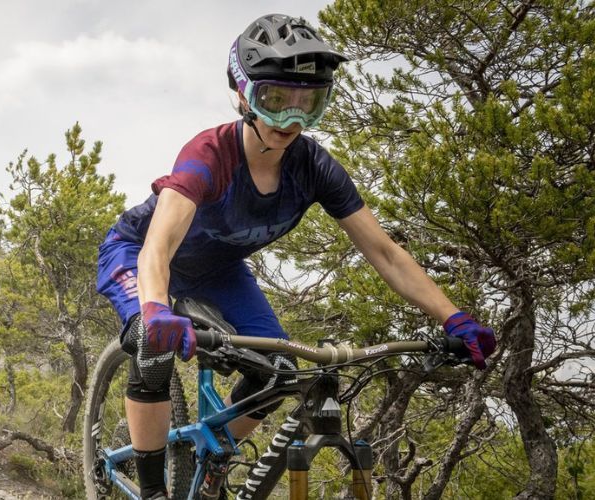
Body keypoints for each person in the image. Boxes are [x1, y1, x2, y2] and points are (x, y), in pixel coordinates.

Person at [95, 14, 496, 499]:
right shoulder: (208, 154)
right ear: (243, 95)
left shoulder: (314, 168)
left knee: (279, 372)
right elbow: (158, 246)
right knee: (150, 344)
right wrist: (155, 308)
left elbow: (386, 254)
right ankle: (154, 489)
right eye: (275, 101)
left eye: (309, 104)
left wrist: (453, 317)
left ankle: (216, 455)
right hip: (139, 253)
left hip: (217, 270)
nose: (292, 120)